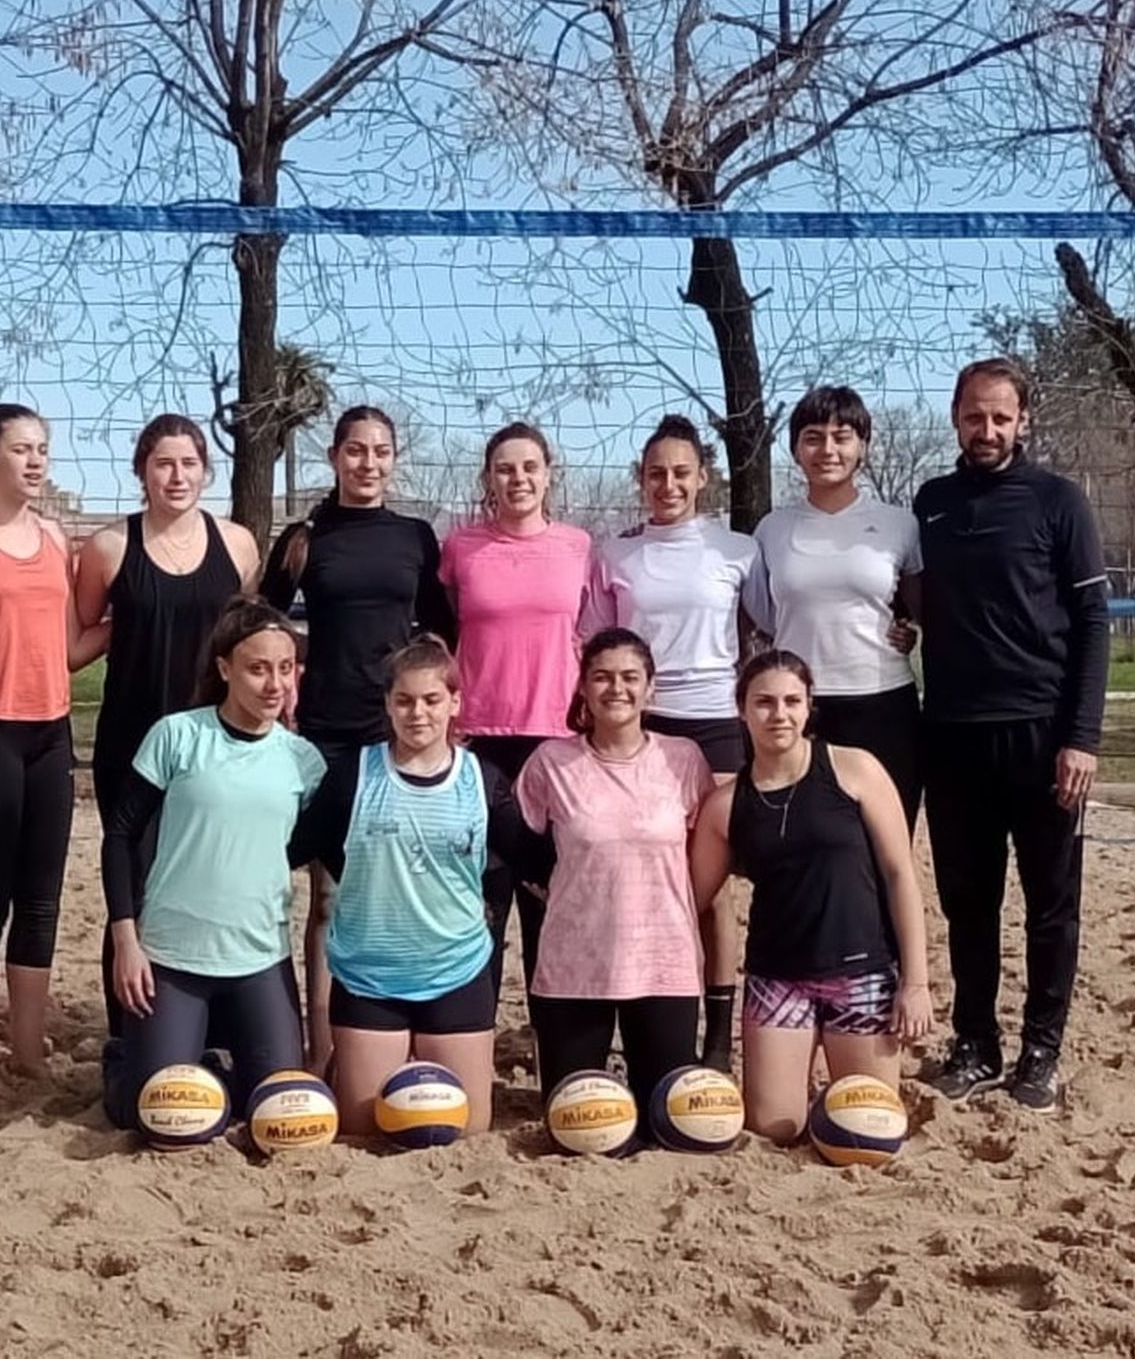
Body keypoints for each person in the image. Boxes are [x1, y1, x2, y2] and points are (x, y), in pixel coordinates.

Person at [914, 357, 1108, 1113]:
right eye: (973, 416)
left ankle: (1040, 1050)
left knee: (1051, 903)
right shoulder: (931, 502)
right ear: (955, 417)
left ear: (1023, 419)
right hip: (954, 735)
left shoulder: (1060, 502)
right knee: (968, 901)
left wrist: (1081, 737)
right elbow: (919, 598)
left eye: (1001, 417)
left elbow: (1092, 623)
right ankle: (975, 1042)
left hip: (1042, 735)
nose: (987, 430)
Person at [260, 406, 456, 1072]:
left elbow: (441, 629)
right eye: (354, 451)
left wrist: (417, 689)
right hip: (324, 736)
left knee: (398, 888)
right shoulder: (305, 538)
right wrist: (293, 669)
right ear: (335, 457)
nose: (367, 463)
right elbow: (262, 620)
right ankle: (323, 1051)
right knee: (329, 900)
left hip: (394, 735)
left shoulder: (414, 538)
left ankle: (395, 1037)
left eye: (379, 452)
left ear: (393, 460)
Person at [581, 415, 770, 1072]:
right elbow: (595, 647)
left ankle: (716, 1038)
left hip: (716, 723)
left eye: (681, 472)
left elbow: (772, 629)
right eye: (656, 472)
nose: (668, 483)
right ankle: (630, 1016)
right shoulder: (613, 554)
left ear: (703, 478)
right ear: (641, 478)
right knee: (633, 878)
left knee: (710, 888)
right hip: (640, 726)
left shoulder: (739, 551)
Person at [691, 651, 934, 1143]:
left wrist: (916, 983)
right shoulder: (724, 806)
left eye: (791, 702)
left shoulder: (855, 769)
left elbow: (900, 875)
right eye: (763, 703)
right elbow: (689, 901)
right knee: (777, 1127)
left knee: (870, 1129)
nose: (778, 714)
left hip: (862, 974)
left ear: (808, 707)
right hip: (778, 981)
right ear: (741, 709)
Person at [0, 405, 106, 1097]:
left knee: (41, 901)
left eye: (43, 450)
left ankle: (29, 1051)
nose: (36, 462)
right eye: (21, 449)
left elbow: (66, 650)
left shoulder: (54, 538)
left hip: (49, 733)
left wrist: (141, 617)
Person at [101, 598, 325, 1126]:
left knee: (274, 1111)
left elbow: (304, 849)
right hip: (172, 957)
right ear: (225, 669)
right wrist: (126, 942)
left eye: (285, 668)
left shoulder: (302, 761)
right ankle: (122, 1061)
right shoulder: (177, 736)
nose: (274, 684)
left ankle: (210, 1058)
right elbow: (119, 836)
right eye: (257, 668)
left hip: (259, 957)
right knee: (156, 1114)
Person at [291, 637, 525, 1136]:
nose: (417, 713)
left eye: (431, 700)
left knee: (466, 1130)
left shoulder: (482, 781)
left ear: (455, 703)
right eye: (404, 701)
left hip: (455, 972)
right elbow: (302, 847)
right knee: (363, 1130)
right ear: (388, 705)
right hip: (369, 977)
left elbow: (526, 859)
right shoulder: (354, 774)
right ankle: (341, 1065)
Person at [74, 414, 259, 1041]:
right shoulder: (108, 547)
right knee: (136, 890)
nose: (176, 476)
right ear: (141, 472)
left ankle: (208, 1029)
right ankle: (130, 1036)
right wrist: (130, 623)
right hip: (133, 741)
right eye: (163, 464)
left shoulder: (237, 545)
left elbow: (248, 637)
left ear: (206, 471)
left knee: (212, 882)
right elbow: (76, 643)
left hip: (219, 746)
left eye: (188, 464)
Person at [516, 629, 716, 1137]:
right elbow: (518, 845)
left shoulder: (684, 760)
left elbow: (709, 860)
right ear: (582, 687)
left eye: (630, 677)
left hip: (663, 963)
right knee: (577, 1128)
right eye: (602, 677)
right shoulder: (551, 762)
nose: (616, 689)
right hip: (574, 967)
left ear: (651, 689)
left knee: (668, 1125)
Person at [438, 422, 588, 1004]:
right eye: (505, 468)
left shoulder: (577, 547)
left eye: (529, 467)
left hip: (555, 739)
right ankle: (471, 1026)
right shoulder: (460, 549)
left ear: (548, 474)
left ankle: (554, 1034)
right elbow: (443, 628)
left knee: (547, 899)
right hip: (480, 741)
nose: (518, 478)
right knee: (484, 897)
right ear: (488, 479)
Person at [753, 387, 924, 827]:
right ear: (795, 449)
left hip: (882, 704)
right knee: (802, 843)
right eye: (813, 437)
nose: (827, 449)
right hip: (800, 707)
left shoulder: (899, 525)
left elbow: (918, 607)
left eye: (841, 436)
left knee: (884, 843)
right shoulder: (772, 530)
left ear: (862, 445)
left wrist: (909, 626)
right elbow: (763, 617)